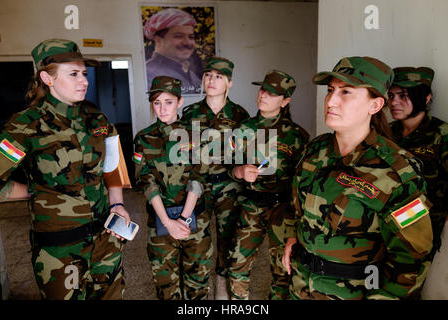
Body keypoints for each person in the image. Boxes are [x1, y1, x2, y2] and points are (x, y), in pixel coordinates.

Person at [282, 56, 434, 300]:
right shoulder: (315, 150)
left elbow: (413, 253)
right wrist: (292, 234)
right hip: (300, 285)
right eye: (330, 90)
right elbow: (295, 205)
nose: (331, 100)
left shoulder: (397, 171)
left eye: (346, 92)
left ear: (374, 106)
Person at [0, 39, 131, 300]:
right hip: (59, 251)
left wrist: (117, 205)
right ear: (47, 78)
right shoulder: (26, 125)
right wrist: (31, 191)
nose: (84, 80)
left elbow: (113, 167)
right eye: (73, 74)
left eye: (84, 73)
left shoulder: (96, 118)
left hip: (106, 240)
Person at [228, 70, 309, 300]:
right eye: (263, 89)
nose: (263, 95)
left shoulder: (296, 136)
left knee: (282, 270)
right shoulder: (243, 130)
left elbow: (302, 180)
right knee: (237, 264)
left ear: (285, 101)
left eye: (273, 93)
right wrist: (240, 171)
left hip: (283, 210)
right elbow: (228, 170)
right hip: (252, 206)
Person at [134, 76, 212, 300]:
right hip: (160, 222)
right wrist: (168, 223)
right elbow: (146, 182)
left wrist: (184, 219)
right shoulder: (143, 138)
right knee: (166, 287)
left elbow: (199, 176)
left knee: (197, 285)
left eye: (168, 102)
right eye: (157, 102)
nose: (162, 108)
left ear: (179, 102)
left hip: (194, 222)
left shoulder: (197, 135)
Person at [180, 57, 250, 299]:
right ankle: (197, 299)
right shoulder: (190, 113)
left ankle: (222, 296)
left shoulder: (240, 114)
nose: (211, 80)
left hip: (229, 188)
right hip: (196, 189)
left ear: (229, 83)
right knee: (196, 245)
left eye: (218, 77)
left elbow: (246, 154)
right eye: (208, 75)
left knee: (227, 245)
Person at [388, 67, 447, 259]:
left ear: (426, 98)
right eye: (391, 95)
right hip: (382, 225)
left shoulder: (441, 134)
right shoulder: (386, 133)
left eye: (403, 95)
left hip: (421, 229)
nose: (394, 102)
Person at [144, 8, 202, 94]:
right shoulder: (150, 74)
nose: (187, 43)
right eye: (178, 36)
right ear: (158, 41)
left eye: (191, 37)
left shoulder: (190, 73)